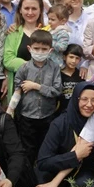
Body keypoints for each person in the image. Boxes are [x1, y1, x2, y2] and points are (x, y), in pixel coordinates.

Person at [30, 82, 94, 187]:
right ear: (75, 99)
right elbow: (43, 162)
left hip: (80, 174)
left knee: (85, 185)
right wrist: (74, 156)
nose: (89, 104)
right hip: (51, 173)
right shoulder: (60, 123)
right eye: (84, 99)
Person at [7, 29, 62, 168]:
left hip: (47, 115)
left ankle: (42, 175)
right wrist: (10, 109)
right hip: (27, 116)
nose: (40, 52)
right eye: (36, 48)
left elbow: (57, 90)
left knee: (44, 148)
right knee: (27, 149)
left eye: (44, 49)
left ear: (50, 50)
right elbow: (18, 89)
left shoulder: (55, 68)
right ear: (29, 48)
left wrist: (37, 86)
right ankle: (27, 183)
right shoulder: (24, 68)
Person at [3, 0, 46, 104]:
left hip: (43, 87)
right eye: (26, 8)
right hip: (19, 90)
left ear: (40, 10)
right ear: (20, 10)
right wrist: (31, 67)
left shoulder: (48, 33)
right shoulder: (13, 32)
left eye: (34, 8)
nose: (30, 12)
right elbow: (8, 59)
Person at [64, 0, 91, 79]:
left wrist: (86, 63)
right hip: (62, 73)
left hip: (87, 73)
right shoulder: (58, 21)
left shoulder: (92, 20)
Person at [58, 44, 85, 114]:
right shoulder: (58, 75)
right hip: (61, 112)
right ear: (64, 57)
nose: (74, 61)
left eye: (77, 58)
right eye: (71, 57)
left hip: (77, 111)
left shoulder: (81, 75)